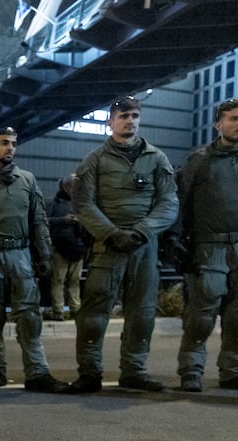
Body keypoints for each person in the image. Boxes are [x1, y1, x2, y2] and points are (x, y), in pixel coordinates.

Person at [68, 96, 179, 393]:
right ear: (110, 122)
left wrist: (142, 231)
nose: (129, 120)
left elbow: (169, 203)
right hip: (108, 247)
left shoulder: (157, 159)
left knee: (142, 313)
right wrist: (112, 233)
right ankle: (89, 373)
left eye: (134, 115)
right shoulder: (94, 160)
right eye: (123, 116)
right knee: (93, 313)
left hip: (144, 248)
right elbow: (83, 204)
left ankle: (134, 371)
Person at [0, 127, 68, 393]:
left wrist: (44, 256)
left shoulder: (27, 181)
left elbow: (39, 221)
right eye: (4, 143)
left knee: (30, 317)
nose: (10, 148)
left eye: (13, 143)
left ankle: (38, 372)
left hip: (21, 255)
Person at [171, 98, 238, 392]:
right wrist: (175, 242)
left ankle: (232, 370)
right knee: (201, 315)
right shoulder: (199, 160)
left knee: (237, 316)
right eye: (233, 118)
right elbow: (178, 203)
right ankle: (191, 371)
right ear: (218, 124)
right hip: (208, 248)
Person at [46, 173, 87, 321]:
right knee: (58, 280)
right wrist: (62, 220)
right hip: (60, 249)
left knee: (74, 281)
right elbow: (44, 222)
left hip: (78, 248)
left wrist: (80, 222)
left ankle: (76, 310)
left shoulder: (81, 204)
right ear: (66, 186)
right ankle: (58, 311)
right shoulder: (53, 203)